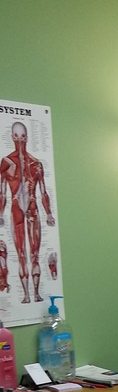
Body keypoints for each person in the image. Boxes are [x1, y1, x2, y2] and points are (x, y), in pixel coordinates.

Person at [0, 121, 56, 303]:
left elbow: (43, 191)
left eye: (22, 136)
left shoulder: (36, 164)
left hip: (32, 209)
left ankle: (36, 294)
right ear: (12, 137)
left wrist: (49, 213)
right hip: (16, 209)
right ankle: (25, 295)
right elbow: (2, 191)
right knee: (21, 255)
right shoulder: (6, 162)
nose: (19, 140)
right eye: (16, 136)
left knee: (34, 254)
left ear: (27, 138)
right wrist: (0, 213)